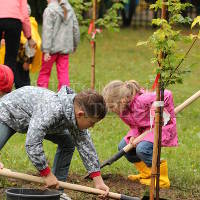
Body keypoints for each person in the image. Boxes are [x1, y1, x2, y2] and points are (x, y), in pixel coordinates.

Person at [0, 86, 109, 198]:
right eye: (91, 122)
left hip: (34, 120)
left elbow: (85, 144)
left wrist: (98, 181)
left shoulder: (73, 113)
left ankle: (56, 193)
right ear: (80, 114)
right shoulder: (52, 110)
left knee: (68, 142)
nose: (92, 126)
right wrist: (47, 174)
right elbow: (32, 143)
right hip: (8, 112)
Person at [102, 80, 178, 188]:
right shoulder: (123, 111)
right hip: (144, 131)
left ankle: (161, 178)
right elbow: (134, 125)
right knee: (123, 147)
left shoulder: (142, 100)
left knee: (142, 149)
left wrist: (162, 114)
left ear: (123, 100)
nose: (111, 110)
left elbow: (167, 94)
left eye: (112, 107)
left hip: (160, 127)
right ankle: (147, 173)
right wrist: (133, 135)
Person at [37, 0, 80, 90]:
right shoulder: (69, 9)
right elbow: (75, 29)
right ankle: (64, 96)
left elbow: (47, 31)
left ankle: (41, 96)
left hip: (50, 50)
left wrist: (46, 50)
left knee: (45, 73)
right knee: (63, 73)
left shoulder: (49, 10)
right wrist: (74, 45)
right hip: (65, 48)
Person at [0, 4, 42, 89]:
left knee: (23, 83)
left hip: (22, 61)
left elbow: (33, 45)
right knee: (12, 77)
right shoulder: (18, 23)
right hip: (12, 60)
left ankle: (23, 94)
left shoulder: (31, 25)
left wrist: (28, 61)